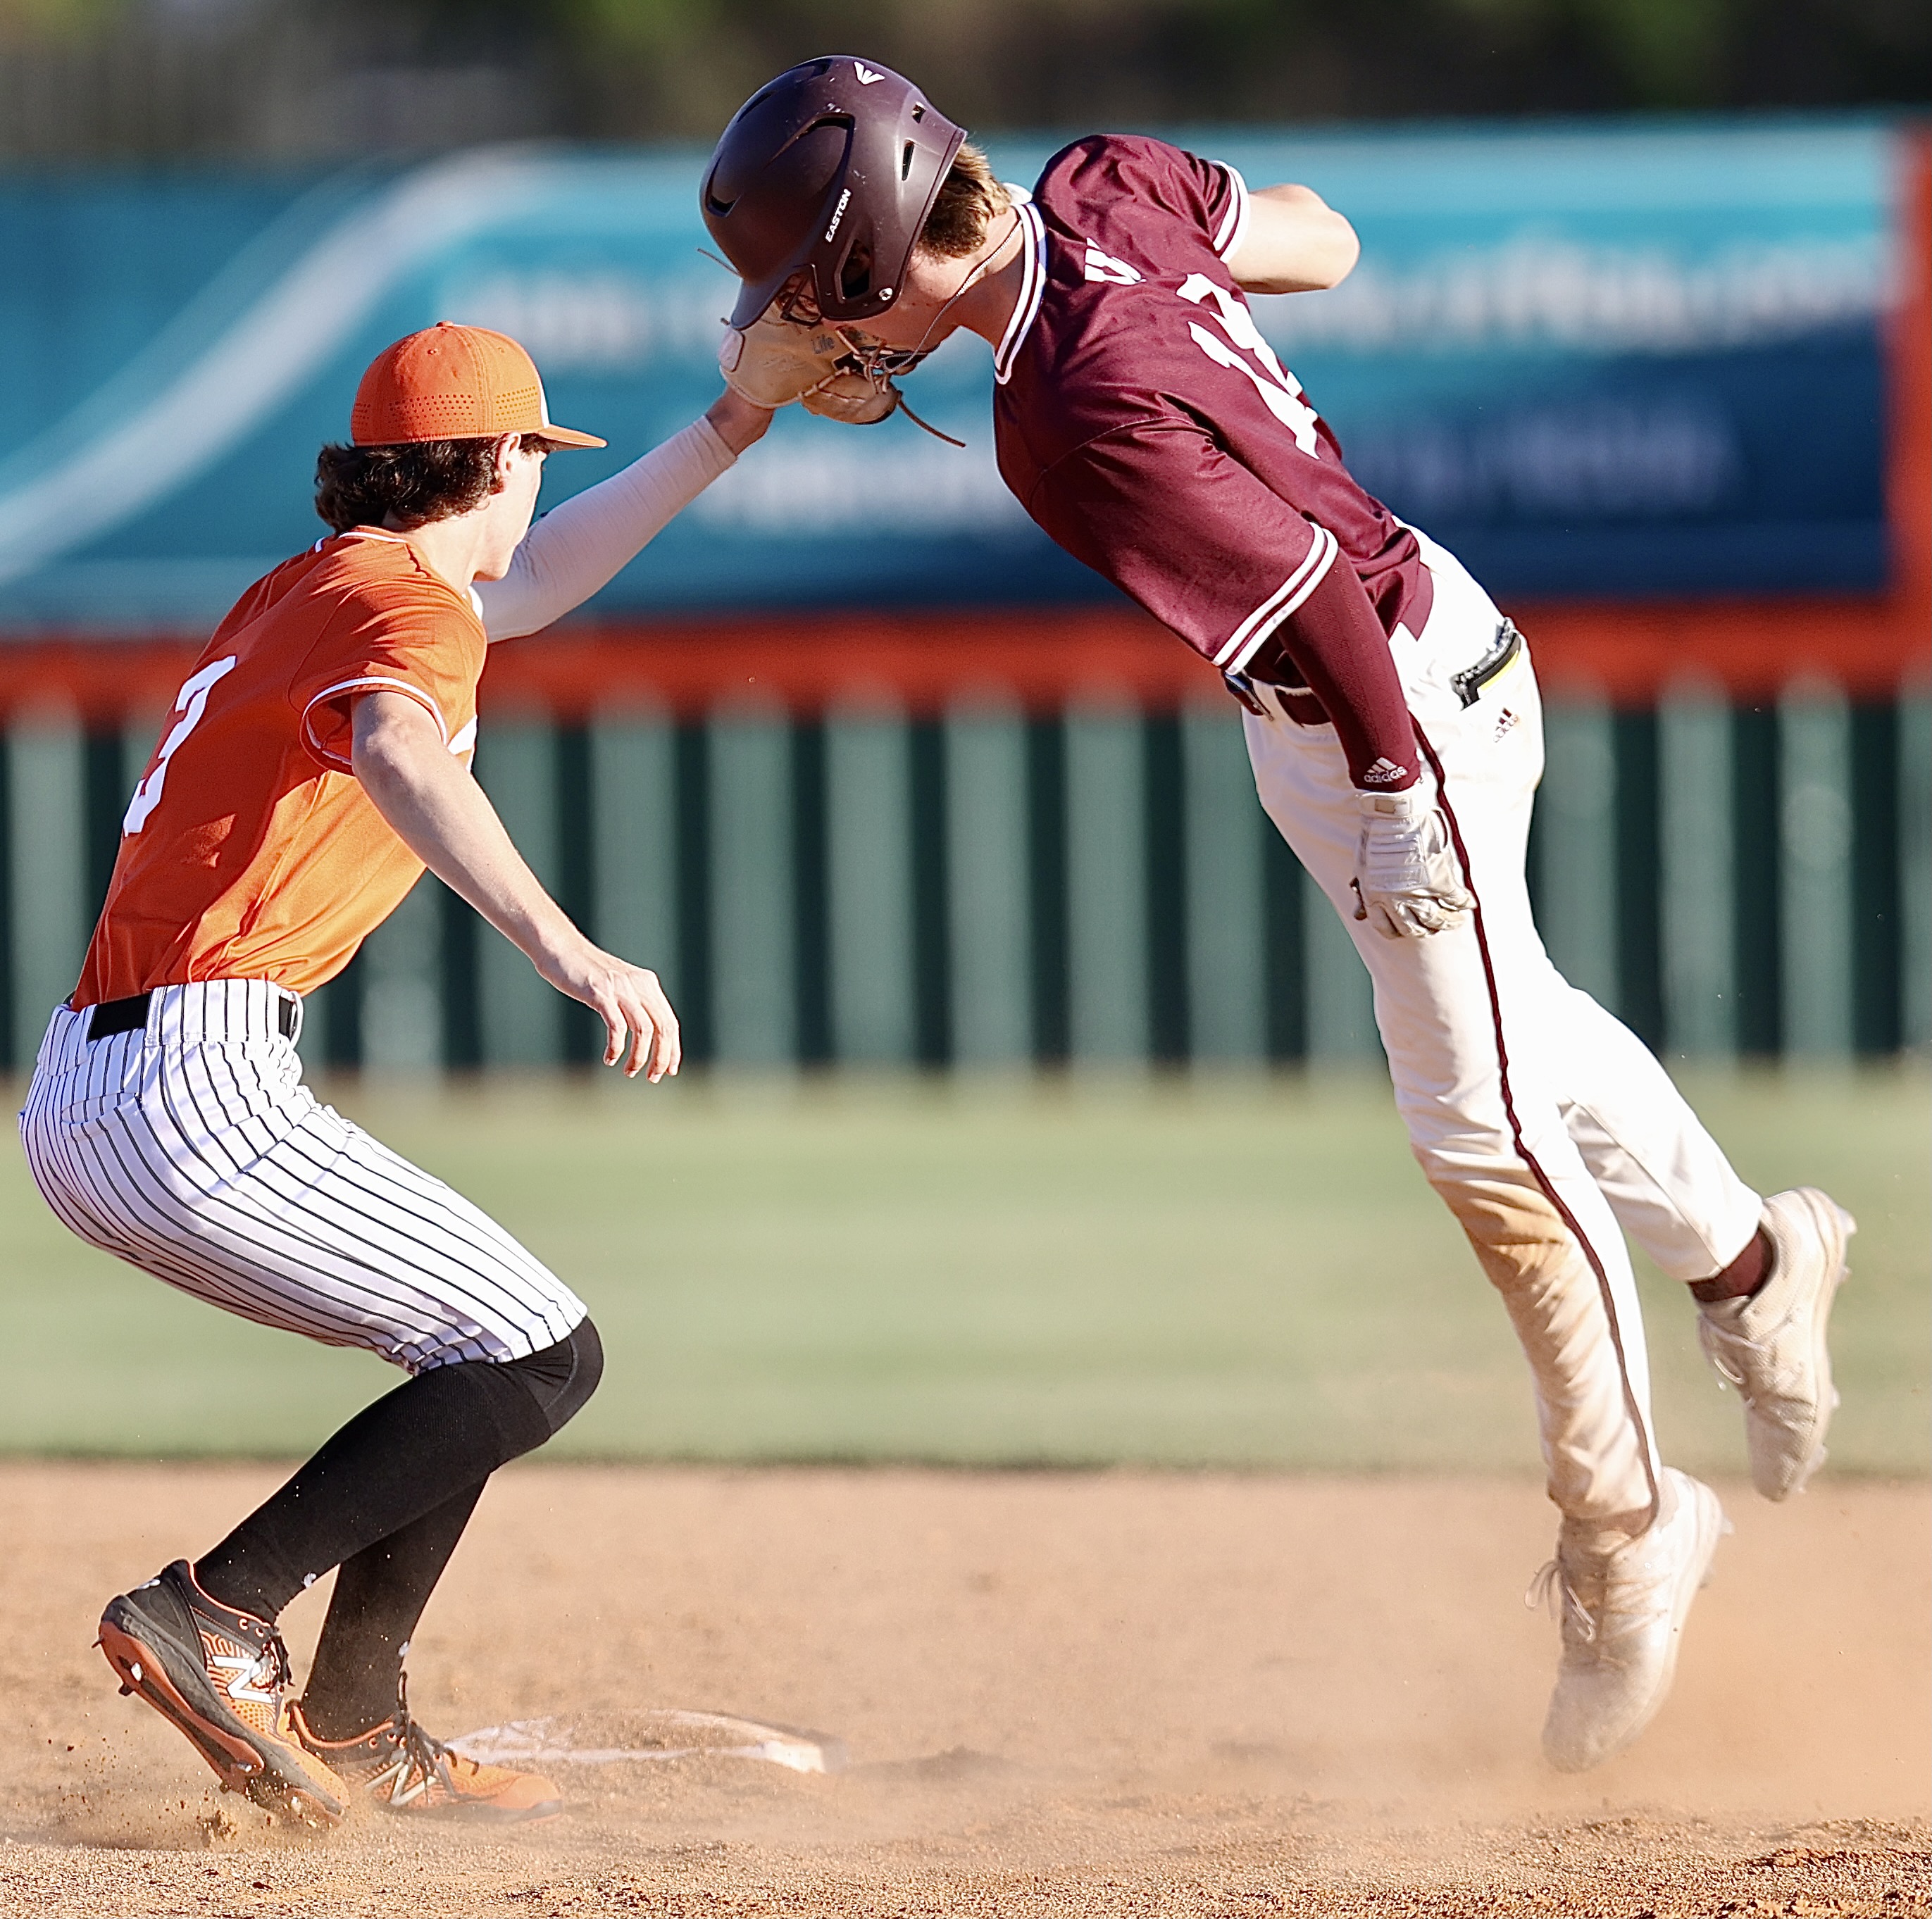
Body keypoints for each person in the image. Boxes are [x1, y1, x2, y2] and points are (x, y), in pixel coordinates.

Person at [699, 58, 1856, 1773]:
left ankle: (1628, 1527)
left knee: (1477, 1134)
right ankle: (1758, 1264)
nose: (796, 329)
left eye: (807, 289)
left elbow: (1307, 601)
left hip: (1376, 703)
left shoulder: (1062, 419)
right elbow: (1322, 241)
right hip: (1411, 642)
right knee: (1519, 1027)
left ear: (872, 265)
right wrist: (1185, 296)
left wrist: (1397, 808)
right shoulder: (1097, 181)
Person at [20, 322, 773, 1826]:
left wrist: (736, 424)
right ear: (498, 463)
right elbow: (400, 749)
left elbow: (535, 583)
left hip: (85, 1093)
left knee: (491, 1347)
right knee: (536, 1355)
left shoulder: (317, 587)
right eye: (530, 469)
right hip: (195, 1081)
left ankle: (356, 1719)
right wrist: (569, 948)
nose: (531, 504)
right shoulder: (404, 624)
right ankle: (221, 1612)